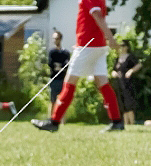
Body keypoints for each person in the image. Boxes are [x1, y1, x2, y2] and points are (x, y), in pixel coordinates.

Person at [32, 0, 124, 133]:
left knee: (69, 83)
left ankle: (54, 122)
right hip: (98, 46)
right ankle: (117, 122)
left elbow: (97, 16)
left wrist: (111, 39)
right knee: (103, 82)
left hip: (87, 46)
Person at [111, 40, 141, 125]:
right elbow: (113, 70)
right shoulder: (117, 58)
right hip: (119, 84)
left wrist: (131, 71)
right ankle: (126, 123)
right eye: (120, 45)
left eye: (123, 45)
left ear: (127, 47)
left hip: (128, 84)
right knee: (122, 104)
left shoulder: (130, 57)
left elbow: (139, 65)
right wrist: (114, 73)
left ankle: (132, 123)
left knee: (129, 104)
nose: (121, 47)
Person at [48, 31, 70, 117]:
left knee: (62, 101)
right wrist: (59, 66)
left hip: (63, 79)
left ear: (60, 39)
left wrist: (59, 66)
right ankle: (51, 118)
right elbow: (51, 64)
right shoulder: (52, 52)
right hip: (54, 79)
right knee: (53, 100)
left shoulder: (65, 53)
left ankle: (62, 120)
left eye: (56, 39)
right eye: (53, 39)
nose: (54, 40)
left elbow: (66, 65)